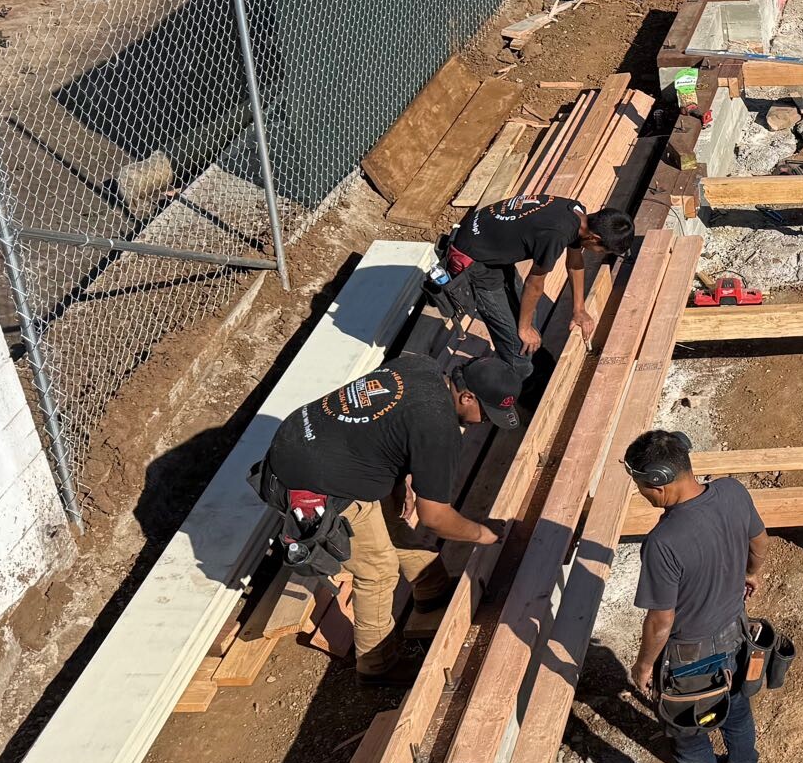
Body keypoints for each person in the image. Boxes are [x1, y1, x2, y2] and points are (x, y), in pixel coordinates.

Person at [261, 353, 524, 679]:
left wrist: (400, 483)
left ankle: (432, 590)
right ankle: (377, 666)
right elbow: (435, 517)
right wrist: (482, 534)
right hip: (314, 483)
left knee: (392, 520)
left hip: (302, 442)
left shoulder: (420, 367)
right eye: (485, 414)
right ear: (467, 397)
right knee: (378, 571)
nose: (483, 422)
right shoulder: (438, 426)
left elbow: (383, 425)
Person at [624, 428, 768, 763]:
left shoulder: (663, 542)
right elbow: (759, 540)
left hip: (689, 658)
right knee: (737, 709)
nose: (641, 494)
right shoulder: (732, 492)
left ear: (658, 484)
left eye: (640, 487)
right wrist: (751, 572)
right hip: (736, 634)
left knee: (688, 736)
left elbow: (661, 620)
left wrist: (643, 666)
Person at [435, 195, 633, 371]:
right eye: (602, 250)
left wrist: (579, 309)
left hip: (491, 242)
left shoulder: (577, 214)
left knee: (529, 314)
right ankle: (520, 380)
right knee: (516, 344)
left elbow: (574, 263)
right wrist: (523, 329)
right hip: (474, 260)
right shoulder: (557, 233)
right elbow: (534, 285)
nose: (598, 254)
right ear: (594, 238)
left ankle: (532, 357)